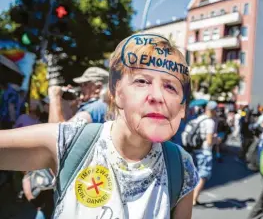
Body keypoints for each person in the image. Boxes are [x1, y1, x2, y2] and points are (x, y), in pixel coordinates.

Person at [0, 34, 199, 219]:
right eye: (142, 81)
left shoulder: (181, 167)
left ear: (181, 106)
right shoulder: (71, 142)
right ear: (116, 92)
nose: (157, 96)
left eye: (170, 86)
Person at [192, 101, 218, 206]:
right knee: (203, 175)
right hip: (205, 151)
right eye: (216, 110)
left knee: (194, 175)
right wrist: (217, 139)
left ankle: (191, 198)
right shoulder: (210, 122)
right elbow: (209, 141)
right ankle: (194, 199)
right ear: (212, 110)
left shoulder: (199, 118)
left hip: (195, 150)